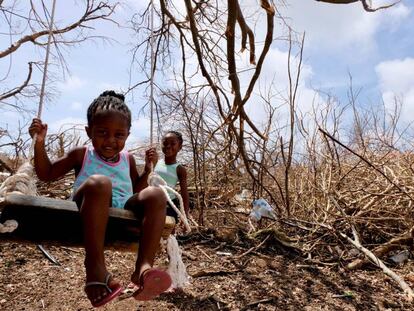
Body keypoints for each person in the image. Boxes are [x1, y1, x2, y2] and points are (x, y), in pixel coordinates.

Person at [29, 90, 171, 307]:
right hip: (87, 204)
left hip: (122, 206)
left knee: (156, 193)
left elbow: (135, 188)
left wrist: (148, 170)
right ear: (89, 131)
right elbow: (47, 174)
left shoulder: (128, 159)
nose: (110, 141)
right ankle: (95, 268)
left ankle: (143, 269)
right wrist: (39, 143)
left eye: (119, 135)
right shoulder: (81, 154)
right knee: (101, 183)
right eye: (102, 133)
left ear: (127, 134)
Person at [154, 131, 190, 228]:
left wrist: (185, 214)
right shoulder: (155, 162)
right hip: (152, 201)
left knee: (168, 234)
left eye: (173, 144)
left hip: (169, 205)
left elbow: (184, 193)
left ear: (180, 147)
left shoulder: (179, 169)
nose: (168, 146)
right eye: (165, 143)